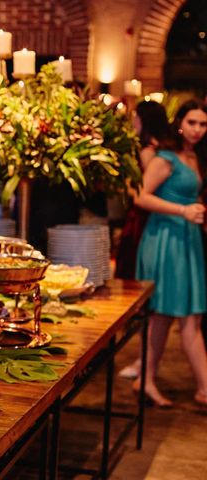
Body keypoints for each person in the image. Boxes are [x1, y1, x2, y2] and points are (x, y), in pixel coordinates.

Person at [134, 99, 207, 407]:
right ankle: (202, 387)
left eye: (203, 124)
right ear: (180, 122)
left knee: (174, 317)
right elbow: (141, 197)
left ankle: (146, 380)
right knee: (174, 316)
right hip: (165, 238)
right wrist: (182, 210)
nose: (197, 130)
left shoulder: (193, 156)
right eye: (192, 122)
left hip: (186, 238)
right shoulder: (166, 157)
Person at [116, 100, 171, 280]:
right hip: (146, 213)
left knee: (133, 261)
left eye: (135, 117)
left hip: (142, 215)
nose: (133, 122)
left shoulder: (148, 150)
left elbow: (147, 189)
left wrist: (124, 188)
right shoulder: (161, 146)